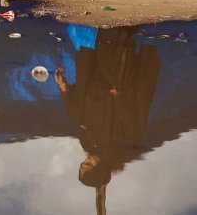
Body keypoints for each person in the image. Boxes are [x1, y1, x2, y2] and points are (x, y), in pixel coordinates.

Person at [54, 27, 160, 210]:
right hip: (114, 87)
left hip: (90, 86)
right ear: (99, 167)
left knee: (91, 49)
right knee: (110, 45)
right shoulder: (122, 145)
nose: (85, 160)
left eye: (83, 164)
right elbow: (131, 120)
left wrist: (65, 90)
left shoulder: (87, 145)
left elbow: (76, 117)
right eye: (88, 164)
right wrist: (118, 98)